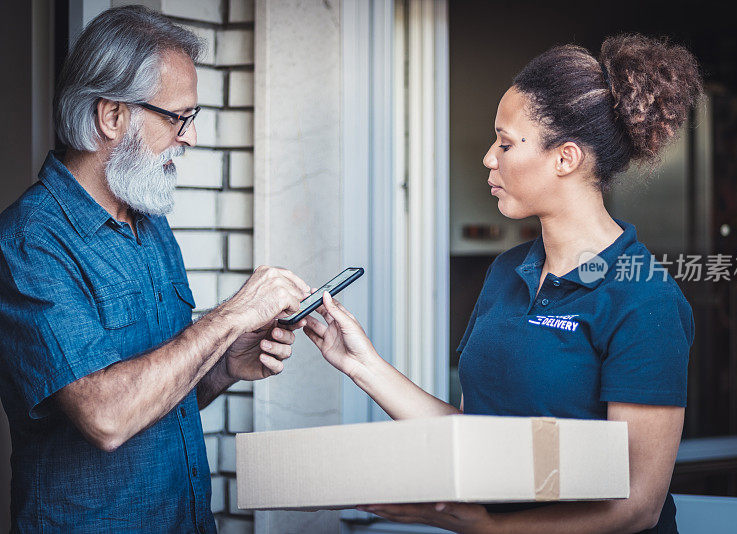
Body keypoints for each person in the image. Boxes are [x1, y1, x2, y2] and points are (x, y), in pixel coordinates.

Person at [303, 34, 701, 534]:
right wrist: (359, 363)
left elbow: (636, 506)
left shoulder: (645, 300)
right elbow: (476, 440)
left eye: (506, 143)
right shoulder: (508, 271)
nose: (490, 158)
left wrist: (489, 528)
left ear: (566, 158)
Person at [0, 6, 309, 532]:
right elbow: (108, 416)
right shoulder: (30, 242)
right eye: (177, 117)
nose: (188, 137)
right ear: (112, 116)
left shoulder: (147, 220)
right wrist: (231, 315)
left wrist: (225, 363)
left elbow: (159, 397)